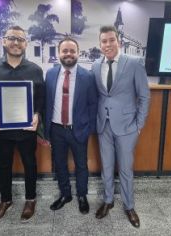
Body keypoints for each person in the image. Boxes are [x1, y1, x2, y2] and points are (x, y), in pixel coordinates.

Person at [0, 25, 44, 224]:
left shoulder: (35, 69)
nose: (16, 43)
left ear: (26, 44)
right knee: (3, 166)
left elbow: (41, 97)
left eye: (20, 39)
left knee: (30, 164)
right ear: (4, 41)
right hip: (1, 130)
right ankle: (6, 201)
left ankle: (30, 200)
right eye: (12, 38)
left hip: (26, 130)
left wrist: (37, 115)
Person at [91, 26, 150, 228]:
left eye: (111, 40)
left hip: (127, 127)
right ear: (100, 45)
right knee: (106, 167)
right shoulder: (95, 65)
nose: (107, 45)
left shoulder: (133, 63)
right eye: (103, 41)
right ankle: (108, 201)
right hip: (103, 125)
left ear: (118, 41)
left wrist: (139, 125)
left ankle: (129, 206)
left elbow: (144, 96)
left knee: (125, 169)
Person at [45, 37, 97, 214]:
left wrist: (89, 129)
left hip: (78, 129)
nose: (68, 54)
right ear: (59, 53)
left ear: (78, 53)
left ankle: (82, 195)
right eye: (64, 51)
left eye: (72, 51)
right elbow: (47, 102)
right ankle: (65, 194)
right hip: (56, 129)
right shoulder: (51, 74)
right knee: (60, 164)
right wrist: (45, 131)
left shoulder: (87, 76)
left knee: (81, 165)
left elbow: (92, 105)